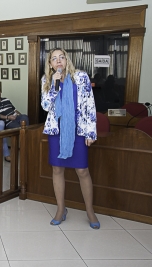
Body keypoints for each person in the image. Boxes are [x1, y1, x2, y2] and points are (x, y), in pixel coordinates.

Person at [41, 47, 99, 229]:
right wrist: (53, 87)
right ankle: (61, 209)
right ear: (50, 64)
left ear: (67, 60)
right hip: (57, 131)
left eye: (62, 57)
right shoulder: (47, 80)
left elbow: (90, 105)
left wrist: (91, 132)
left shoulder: (81, 77)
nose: (58, 61)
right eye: (54, 59)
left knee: (82, 171)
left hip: (78, 130)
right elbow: (45, 105)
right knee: (57, 169)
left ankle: (90, 211)